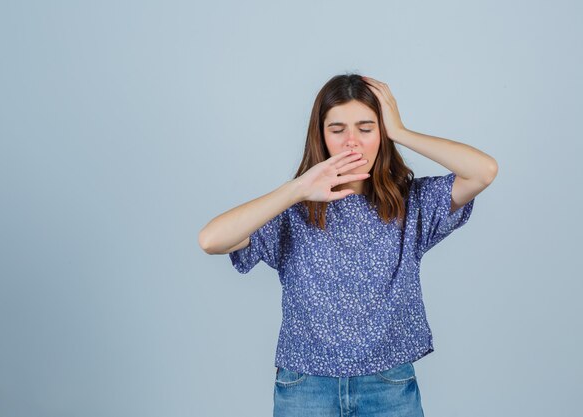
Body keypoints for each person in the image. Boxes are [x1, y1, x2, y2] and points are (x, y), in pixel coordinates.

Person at [198, 73, 498, 417]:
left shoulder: (411, 204)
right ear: (321, 136)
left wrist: (400, 132)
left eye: (366, 129)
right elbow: (211, 239)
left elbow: (483, 171)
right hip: (304, 387)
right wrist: (297, 189)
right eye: (337, 130)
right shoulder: (292, 212)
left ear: (381, 134)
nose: (351, 142)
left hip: (388, 386)